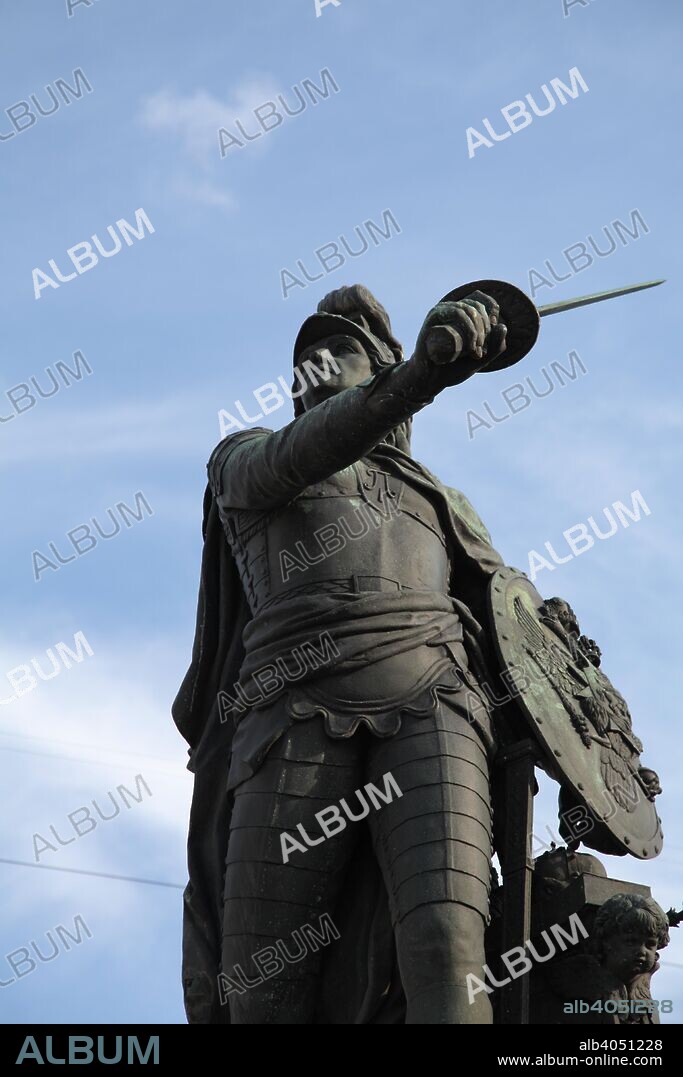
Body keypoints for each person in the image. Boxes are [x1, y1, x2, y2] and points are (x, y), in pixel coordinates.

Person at [174, 283, 531, 1024]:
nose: (314, 362)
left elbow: (515, 632)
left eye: (337, 349)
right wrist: (420, 375)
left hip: (436, 696)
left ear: (374, 367)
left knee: (446, 938)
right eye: (304, 356)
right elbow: (311, 446)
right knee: (262, 981)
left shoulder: (441, 501)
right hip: (289, 711)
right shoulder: (246, 458)